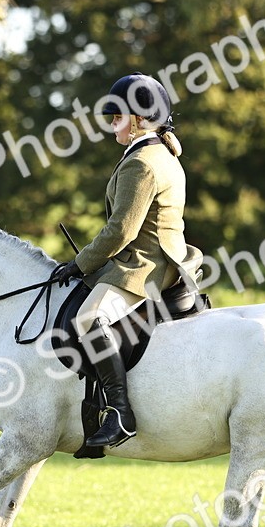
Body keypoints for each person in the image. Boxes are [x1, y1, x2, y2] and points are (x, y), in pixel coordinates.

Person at [53, 72, 196, 449]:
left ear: (138, 119)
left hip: (146, 265)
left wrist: (81, 263)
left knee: (89, 318)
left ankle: (120, 412)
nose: (111, 124)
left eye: (117, 117)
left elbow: (121, 232)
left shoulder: (144, 162)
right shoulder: (160, 153)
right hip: (158, 256)